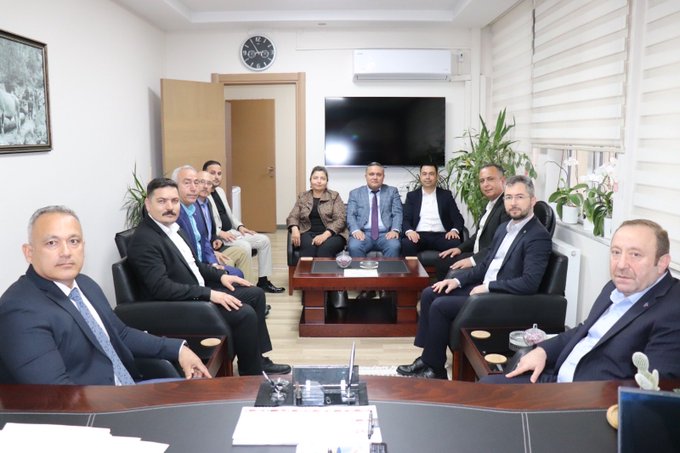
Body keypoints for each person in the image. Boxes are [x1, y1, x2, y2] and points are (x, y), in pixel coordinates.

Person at [0, 206, 210, 385]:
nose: (66, 252)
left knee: (208, 400)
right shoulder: (19, 310)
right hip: (96, 412)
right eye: (52, 243)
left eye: (74, 241)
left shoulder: (85, 284)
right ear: (29, 252)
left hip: (129, 390)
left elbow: (121, 334)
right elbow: (56, 397)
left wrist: (178, 349)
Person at [126, 177, 290, 376]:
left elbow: (194, 265)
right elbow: (162, 288)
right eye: (162, 201)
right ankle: (251, 375)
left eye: (174, 201)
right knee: (244, 313)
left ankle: (257, 360)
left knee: (255, 294)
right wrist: (210, 294)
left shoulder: (175, 230)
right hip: (181, 307)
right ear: (148, 204)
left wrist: (221, 277)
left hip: (196, 294)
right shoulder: (145, 240)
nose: (170, 207)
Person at [397, 175, 552, 379]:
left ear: (532, 200)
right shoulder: (505, 229)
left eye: (519, 197)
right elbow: (486, 265)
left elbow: (529, 283)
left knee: (440, 306)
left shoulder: (537, 236)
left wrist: (488, 287)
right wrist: (456, 280)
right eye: (509, 197)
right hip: (484, 288)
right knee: (430, 293)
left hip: (500, 298)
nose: (513, 203)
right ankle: (429, 358)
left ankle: (435, 370)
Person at [493, 219, 680, 383]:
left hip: (585, 401)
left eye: (635, 254)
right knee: (486, 388)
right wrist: (544, 351)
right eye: (616, 252)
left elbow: (653, 388)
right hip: (555, 377)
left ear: (662, 262)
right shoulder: (615, 287)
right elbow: (584, 330)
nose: (621, 265)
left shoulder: (672, 310)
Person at [203, 160, 284, 293]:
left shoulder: (220, 191)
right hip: (220, 236)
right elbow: (206, 223)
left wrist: (240, 226)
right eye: (212, 173)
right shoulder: (204, 196)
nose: (216, 177)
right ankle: (246, 288)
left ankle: (263, 281)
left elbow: (230, 215)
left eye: (219, 173)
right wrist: (220, 233)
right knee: (245, 246)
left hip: (231, 231)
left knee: (264, 240)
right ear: (204, 175)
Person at [171, 165, 249, 280]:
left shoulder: (196, 208)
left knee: (238, 269)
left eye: (196, 183)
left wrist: (213, 262)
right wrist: (211, 265)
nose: (194, 188)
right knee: (233, 273)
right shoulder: (173, 215)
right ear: (174, 187)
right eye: (187, 183)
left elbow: (204, 240)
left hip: (206, 258)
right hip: (190, 271)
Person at [435, 164, 510, 280]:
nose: (485, 184)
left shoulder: (507, 206)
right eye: (482, 181)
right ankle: (442, 288)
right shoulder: (491, 204)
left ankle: (447, 289)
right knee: (443, 259)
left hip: (488, 259)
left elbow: (500, 244)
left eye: (490, 179)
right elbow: (478, 235)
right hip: (478, 253)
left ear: (503, 180)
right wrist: (459, 248)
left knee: (449, 267)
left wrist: (472, 260)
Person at [196, 169, 255, 283]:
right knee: (228, 262)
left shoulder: (207, 204)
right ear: (195, 184)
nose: (205, 186)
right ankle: (232, 291)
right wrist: (212, 254)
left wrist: (215, 238)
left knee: (242, 253)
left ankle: (248, 287)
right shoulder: (193, 207)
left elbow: (210, 230)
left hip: (212, 248)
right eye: (202, 182)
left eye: (209, 183)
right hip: (204, 255)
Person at [400, 163, 465, 257]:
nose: (428, 177)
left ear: (437, 176)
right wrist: (409, 231)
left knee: (454, 242)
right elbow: (405, 219)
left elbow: (458, 218)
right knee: (407, 243)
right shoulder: (412, 196)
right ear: (420, 176)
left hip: (442, 236)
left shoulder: (446, 195)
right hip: (418, 235)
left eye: (431, 174)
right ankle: (412, 267)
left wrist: (454, 231)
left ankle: (449, 268)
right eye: (424, 174)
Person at [286, 165, 348, 257]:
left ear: (326, 182)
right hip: (307, 232)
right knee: (308, 249)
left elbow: (340, 220)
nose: (319, 181)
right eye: (315, 178)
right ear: (310, 180)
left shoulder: (334, 196)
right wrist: (294, 229)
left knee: (324, 249)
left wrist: (324, 235)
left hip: (332, 234)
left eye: (322, 178)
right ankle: (306, 267)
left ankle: (322, 267)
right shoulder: (303, 196)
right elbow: (293, 216)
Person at [346, 162, 403, 258]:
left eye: (379, 174)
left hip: (386, 234)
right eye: (371, 174)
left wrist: (395, 230)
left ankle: (389, 269)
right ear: (366, 176)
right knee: (354, 246)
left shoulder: (392, 191)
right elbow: (350, 215)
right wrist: (355, 230)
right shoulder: (355, 193)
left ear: (383, 177)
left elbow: (397, 213)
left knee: (394, 246)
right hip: (363, 233)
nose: (375, 177)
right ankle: (360, 269)